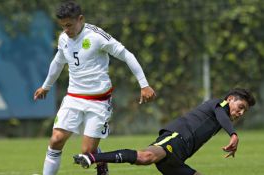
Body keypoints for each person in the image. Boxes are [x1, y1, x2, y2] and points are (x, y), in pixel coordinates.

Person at [33, 1, 156, 175]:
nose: (66, 30)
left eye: (69, 25)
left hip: (98, 102)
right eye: (62, 26)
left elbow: (127, 55)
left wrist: (144, 85)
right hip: (73, 98)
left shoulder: (97, 36)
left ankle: (100, 160)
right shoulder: (63, 38)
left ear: (80, 19)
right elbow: (58, 63)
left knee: (87, 152)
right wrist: (46, 87)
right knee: (56, 140)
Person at [73, 88, 256, 175]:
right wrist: (233, 134)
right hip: (176, 138)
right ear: (230, 99)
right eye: (240, 106)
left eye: (244, 111)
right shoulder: (220, 105)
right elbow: (222, 115)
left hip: (178, 158)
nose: (240, 112)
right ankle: (94, 158)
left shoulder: (222, 114)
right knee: (145, 157)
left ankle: (98, 160)